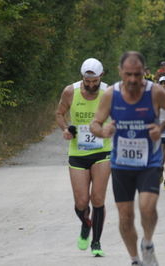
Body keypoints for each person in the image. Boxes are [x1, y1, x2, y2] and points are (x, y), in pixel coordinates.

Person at [90, 51, 165, 265]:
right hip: (121, 163)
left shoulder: (155, 92)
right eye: (128, 74)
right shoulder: (111, 94)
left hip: (149, 161)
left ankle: (147, 243)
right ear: (121, 72)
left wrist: (162, 126)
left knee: (147, 209)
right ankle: (135, 260)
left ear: (144, 73)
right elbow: (95, 124)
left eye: (137, 74)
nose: (132, 79)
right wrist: (103, 131)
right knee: (126, 217)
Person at [55, 58, 111, 257]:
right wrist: (65, 129)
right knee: (81, 202)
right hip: (78, 153)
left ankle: (96, 242)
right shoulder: (70, 91)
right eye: (87, 81)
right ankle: (86, 224)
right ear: (82, 78)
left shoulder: (109, 92)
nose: (91, 85)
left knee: (97, 198)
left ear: (101, 77)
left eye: (94, 81)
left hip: (102, 152)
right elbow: (60, 114)